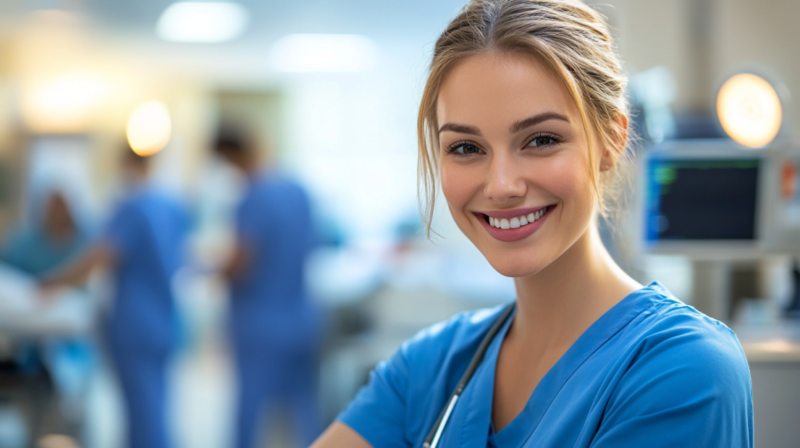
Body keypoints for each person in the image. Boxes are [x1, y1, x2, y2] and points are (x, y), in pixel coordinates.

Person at [312, 1, 753, 447]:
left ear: (612, 139)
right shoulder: (429, 367)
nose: (502, 186)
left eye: (542, 140)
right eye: (466, 147)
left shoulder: (682, 369)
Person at [40, 144, 189, 448]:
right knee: (156, 405)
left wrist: (54, 282)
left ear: (125, 164)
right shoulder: (173, 206)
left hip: (135, 324)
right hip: (164, 319)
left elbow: (104, 255)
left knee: (144, 412)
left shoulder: (131, 206)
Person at [214, 130, 322, 448]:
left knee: (250, 409)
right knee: (304, 408)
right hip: (301, 319)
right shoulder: (298, 191)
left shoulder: (254, 197)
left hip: (260, 325)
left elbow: (241, 264)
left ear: (230, 158)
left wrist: (212, 269)